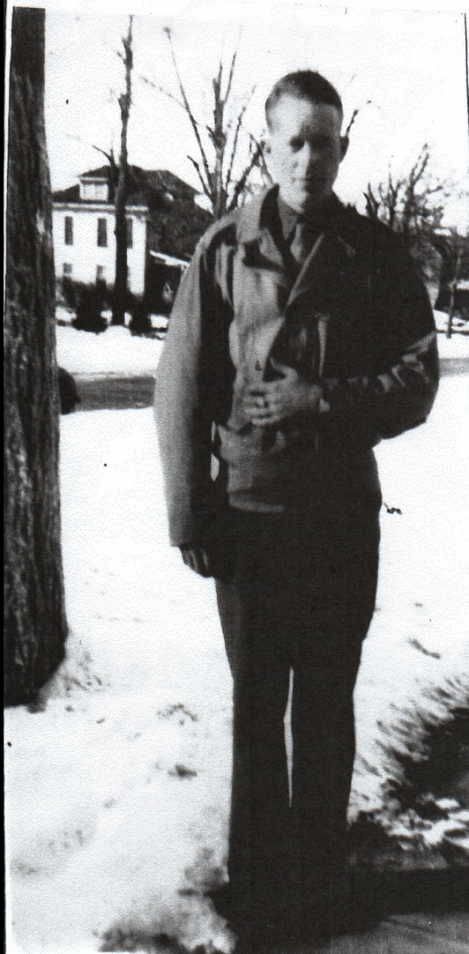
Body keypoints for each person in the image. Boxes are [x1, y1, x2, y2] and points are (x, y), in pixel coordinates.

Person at [154, 71, 439, 948]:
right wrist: (189, 513)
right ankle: (256, 894)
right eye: (294, 141)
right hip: (249, 514)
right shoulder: (221, 249)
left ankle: (315, 888)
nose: (309, 158)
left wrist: (321, 400)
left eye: (325, 141)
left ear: (343, 148)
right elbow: (180, 386)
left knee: (324, 708)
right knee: (254, 712)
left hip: (337, 522)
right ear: (266, 147)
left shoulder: (373, 253)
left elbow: (416, 378)